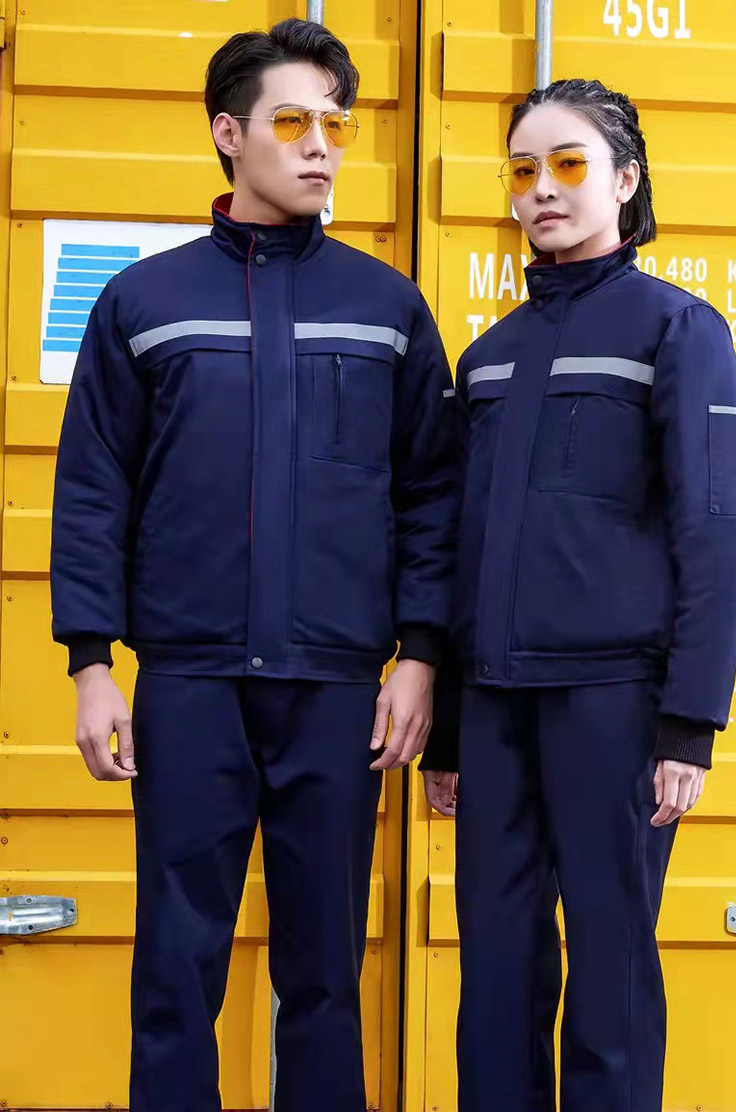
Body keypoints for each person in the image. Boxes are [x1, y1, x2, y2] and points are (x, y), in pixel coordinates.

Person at [50, 19, 458, 1112]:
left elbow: (432, 494)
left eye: (337, 123)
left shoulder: (386, 308)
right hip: (190, 683)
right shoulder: (143, 304)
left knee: (324, 971)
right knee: (174, 967)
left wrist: (421, 655)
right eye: (293, 121)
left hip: (335, 689)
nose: (321, 145)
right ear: (229, 134)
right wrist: (91, 664)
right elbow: (92, 490)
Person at [421, 78, 736, 1112]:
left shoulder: (676, 330)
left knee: (609, 975)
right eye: (523, 169)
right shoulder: (487, 357)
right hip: (494, 707)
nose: (542, 188)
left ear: (624, 180)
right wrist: (447, 734)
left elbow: (715, 527)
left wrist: (689, 722)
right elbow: (459, 544)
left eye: (568, 164)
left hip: (614, 705)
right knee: (494, 975)